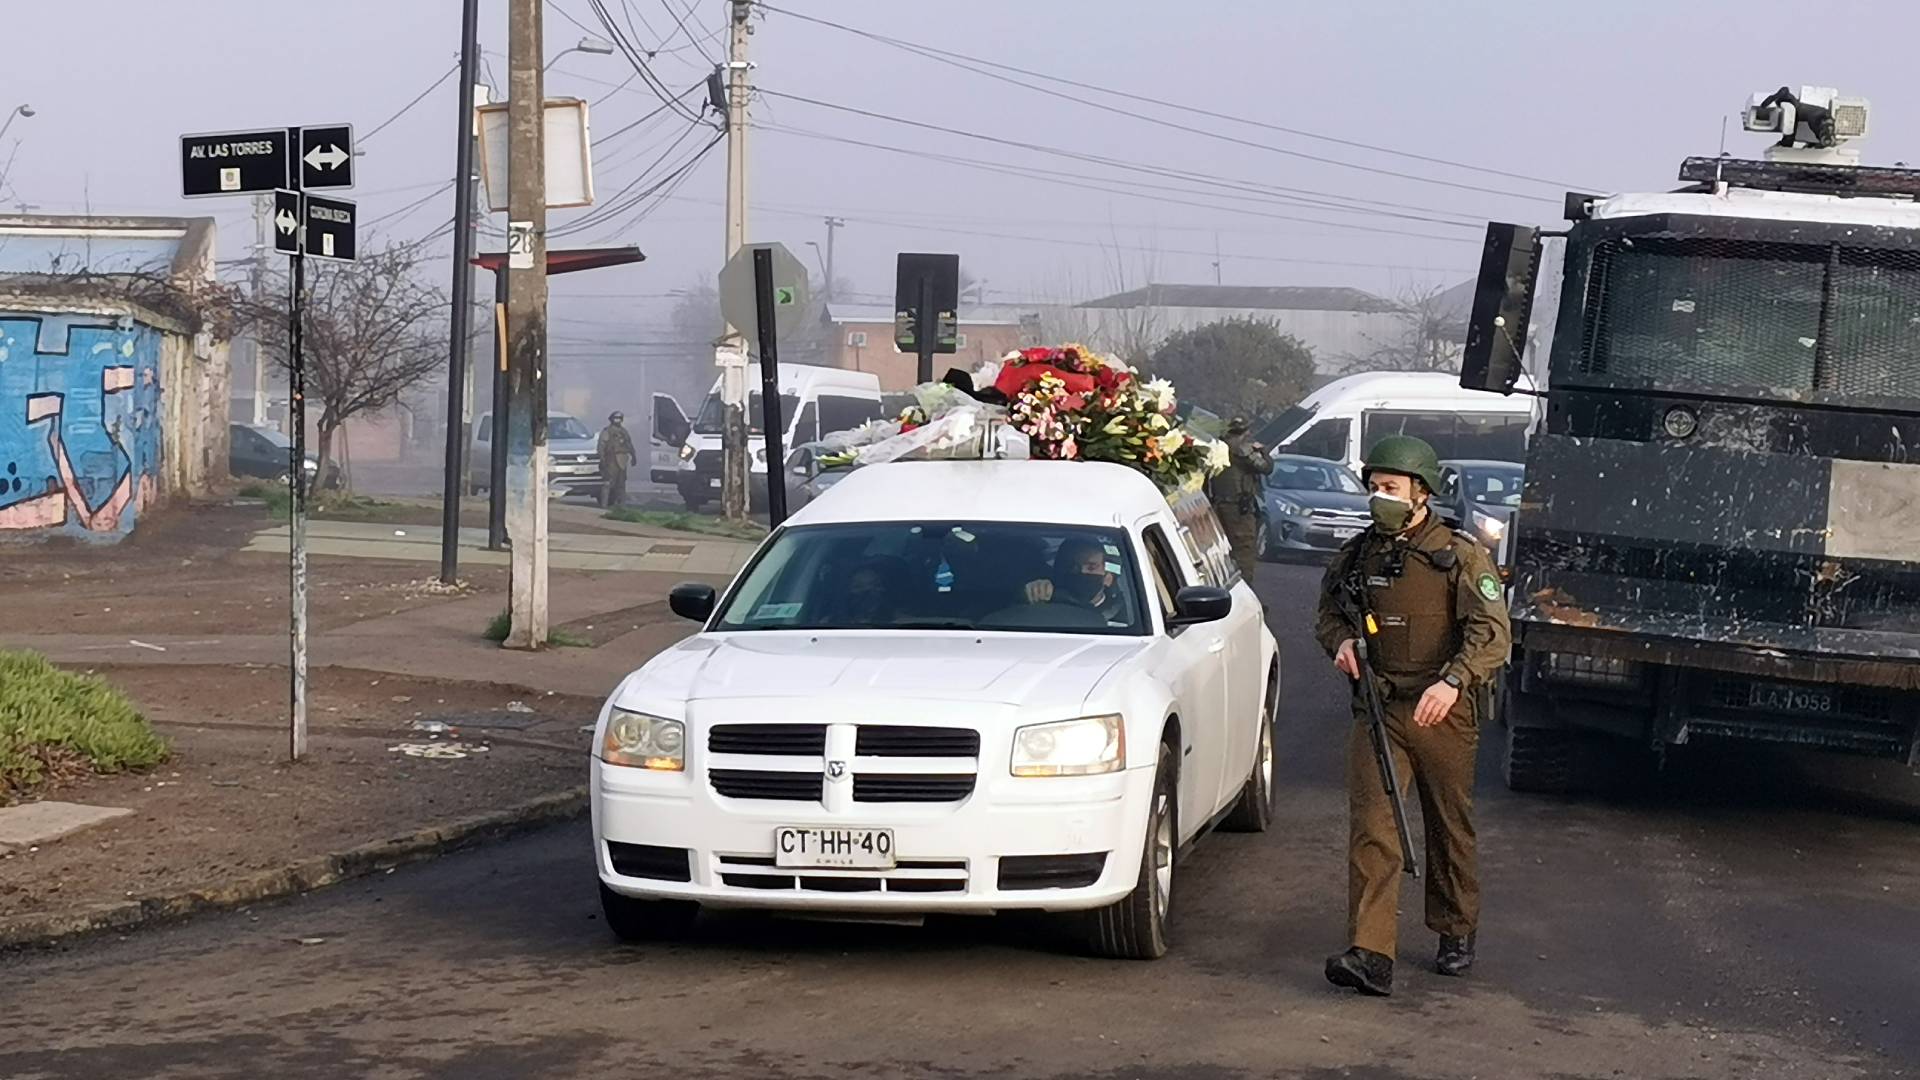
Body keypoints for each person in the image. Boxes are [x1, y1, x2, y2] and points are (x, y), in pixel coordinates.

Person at [1314, 434, 1511, 997]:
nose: (1381, 497)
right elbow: (1328, 612)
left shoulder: (1461, 555)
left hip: (1442, 712)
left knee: (1449, 823)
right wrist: (1343, 643)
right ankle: (1371, 953)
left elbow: (1492, 633)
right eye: (1375, 487)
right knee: (1374, 829)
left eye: (1392, 488)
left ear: (1421, 493)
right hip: (1379, 708)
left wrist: (1454, 681)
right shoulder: (1357, 554)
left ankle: (1455, 926)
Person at [1212, 417, 1273, 583]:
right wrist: (1264, 452)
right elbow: (1266, 468)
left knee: (1221, 550)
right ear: (1246, 432)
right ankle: (1246, 589)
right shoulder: (1243, 450)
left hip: (1217, 505)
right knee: (1244, 549)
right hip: (1239, 508)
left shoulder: (1216, 447)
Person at [1024, 536, 1131, 624]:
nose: (1081, 572)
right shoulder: (1045, 602)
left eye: (1091, 567)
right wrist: (1030, 594)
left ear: (1108, 578)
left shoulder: (1128, 617)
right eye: (1072, 567)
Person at [597, 412, 636, 509]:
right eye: (616, 418)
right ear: (611, 419)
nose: (617, 420)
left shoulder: (624, 431)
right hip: (611, 460)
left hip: (622, 459)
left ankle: (622, 506)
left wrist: (634, 456)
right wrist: (602, 459)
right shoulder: (607, 431)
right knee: (608, 483)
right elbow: (601, 447)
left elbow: (629, 444)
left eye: (619, 418)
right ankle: (604, 506)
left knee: (621, 484)